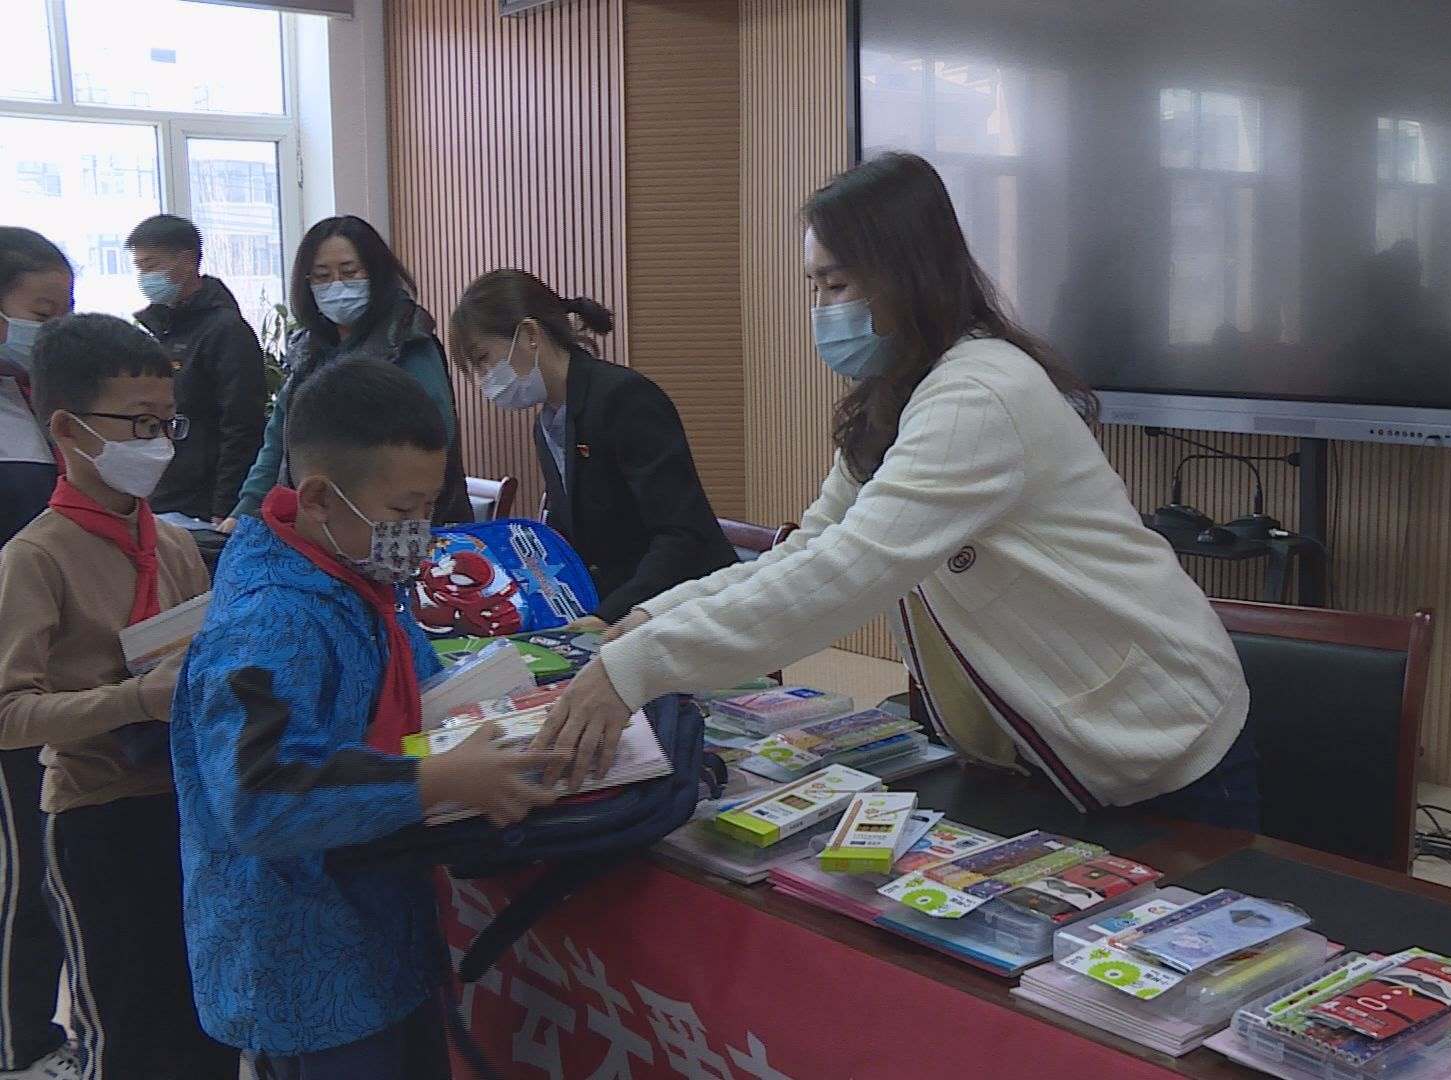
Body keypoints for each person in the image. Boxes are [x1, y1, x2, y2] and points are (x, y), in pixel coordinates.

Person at [541, 152, 1258, 827]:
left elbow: (846, 573)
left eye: (838, 285)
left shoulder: (978, 393)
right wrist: (647, 619)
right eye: (814, 287)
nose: (822, 309)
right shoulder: (900, 394)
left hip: (1155, 741)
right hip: (1042, 744)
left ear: (907, 275)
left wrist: (639, 667)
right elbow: (808, 549)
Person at [171, 359, 563, 1077]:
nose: (420, 533)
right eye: (404, 512)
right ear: (320, 498)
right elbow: (258, 794)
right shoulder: (268, 620)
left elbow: (424, 687)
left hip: (381, 919)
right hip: (302, 954)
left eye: (429, 508)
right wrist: (437, 780)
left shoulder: (357, 571)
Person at [0, 314, 236, 1079]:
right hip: (97, 818)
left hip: (187, 810)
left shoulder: (174, 544)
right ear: (68, 429)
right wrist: (130, 703)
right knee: (129, 1030)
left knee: (206, 1019)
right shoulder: (35, 558)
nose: (159, 444)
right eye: (139, 425)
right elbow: (9, 714)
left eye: (168, 424)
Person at [446, 270, 737, 630]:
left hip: (682, 612)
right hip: (616, 610)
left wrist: (608, 616)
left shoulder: (624, 398)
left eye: (483, 359)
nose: (483, 380)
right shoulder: (547, 425)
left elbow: (683, 534)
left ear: (531, 335)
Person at [224, 215, 472, 530]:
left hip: (397, 526)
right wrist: (244, 513)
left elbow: (432, 444)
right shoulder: (306, 349)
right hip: (318, 523)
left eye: (350, 272)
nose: (337, 285)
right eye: (322, 276)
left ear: (376, 273)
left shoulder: (409, 342)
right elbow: (277, 440)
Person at [0, 227, 76, 1080]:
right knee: (27, 857)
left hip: (66, 662)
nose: (54, 330)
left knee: (55, 849)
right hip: (13, 672)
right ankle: (19, 1039)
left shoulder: (37, 401)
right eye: (41, 312)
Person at [127, 213, 267, 524]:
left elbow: (242, 424)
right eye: (140, 268)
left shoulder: (225, 330)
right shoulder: (162, 330)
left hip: (202, 504)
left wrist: (225, 507)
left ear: (188, 261)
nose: (145, 277)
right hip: (163, 494)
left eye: (151, 265)